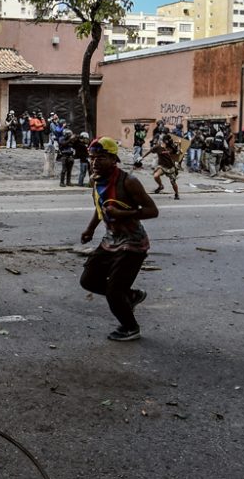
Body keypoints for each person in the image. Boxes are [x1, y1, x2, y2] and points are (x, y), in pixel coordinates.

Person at [79, 136, 158, 342]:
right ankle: (130, 296)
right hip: (110, 240)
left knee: (114, 291)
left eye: (101, 157)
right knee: (88, 280)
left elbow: (152, 211)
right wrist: (89, 230)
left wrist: (123, 214)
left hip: (132, 244)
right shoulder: (97, 180)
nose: (95, 162)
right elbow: (100, 209)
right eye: (92, 157)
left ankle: (130, 327)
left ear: (114, 159)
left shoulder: (128, 181)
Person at [150, 134, 180, 199]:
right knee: (156, 176)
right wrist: (141, 158)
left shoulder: (172, 147)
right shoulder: (158, 147)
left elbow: (178, 154)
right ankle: (161, 186)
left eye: (169, 140)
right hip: (162, 166)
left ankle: (176, 194)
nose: (168, 141)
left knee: (173, 182)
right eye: (167, 140)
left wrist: (178, 145)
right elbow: (150, 151)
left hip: (170, 167)